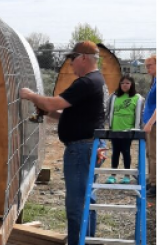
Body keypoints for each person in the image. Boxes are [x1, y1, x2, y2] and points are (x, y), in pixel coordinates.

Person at [20, 41, 108, 245]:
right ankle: (87, 239)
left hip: (80, 149)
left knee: (76, 202)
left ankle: (78, 242)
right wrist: (44, 108)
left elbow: (53, 103)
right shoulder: (98, 81)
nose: (70, 64)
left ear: (84, 58)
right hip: (91, 146)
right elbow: (65, 114)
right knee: (87, 198)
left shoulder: (86, 83)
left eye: (72, 59)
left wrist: (31, 95)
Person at [105, 75, 144, 184]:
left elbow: (140, 114)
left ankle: (127, 176)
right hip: (115, 129)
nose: (125, 85)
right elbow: (107, 110)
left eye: (127, 83)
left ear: (131, 85)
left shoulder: (137, 98)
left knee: (126, 151)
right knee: (115, 152)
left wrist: (140, 128)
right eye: (122, 83)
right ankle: (113, 176)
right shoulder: (114, 96)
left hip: (128, 130)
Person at [143, 54, 156, 197]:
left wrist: (150, 123)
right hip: (150, 124)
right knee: (149, 153)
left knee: (154, 155)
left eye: (150, 65)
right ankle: (151, 179)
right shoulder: (154, 81)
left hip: (154, 124)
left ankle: (155, 185)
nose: (148, 68)